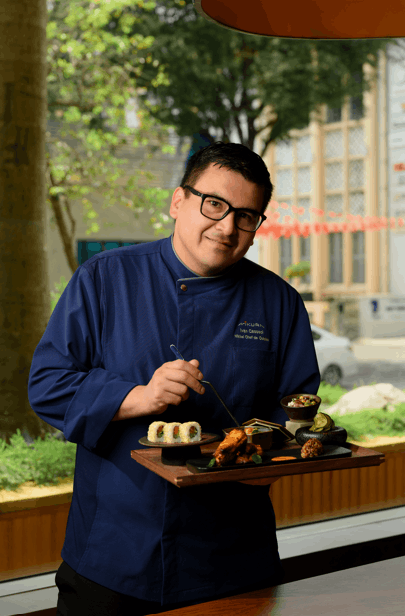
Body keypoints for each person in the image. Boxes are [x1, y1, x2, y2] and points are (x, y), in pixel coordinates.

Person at [28, 142, 320, 615]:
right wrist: (138, 397)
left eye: (246, 216)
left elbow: (297, 410)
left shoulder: (279, 301)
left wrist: (262, 462)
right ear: (178, 201)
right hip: (112, 553)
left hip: (232, 557)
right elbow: (48, 385)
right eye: (214, 204)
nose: (227, 227)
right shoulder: (104, 278)